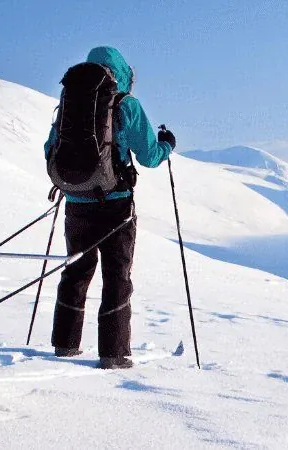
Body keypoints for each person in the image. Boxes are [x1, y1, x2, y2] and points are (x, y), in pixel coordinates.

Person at [43, 46, 175, 369]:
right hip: (116, 205)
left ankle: (64, 345)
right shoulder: (125, 104)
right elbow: (149, 156)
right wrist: (167, 144)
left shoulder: (71, 102)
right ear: (121, 73)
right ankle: (114, 354)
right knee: (116, 276)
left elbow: (50, 148)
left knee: (76, 271)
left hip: (76, 203)